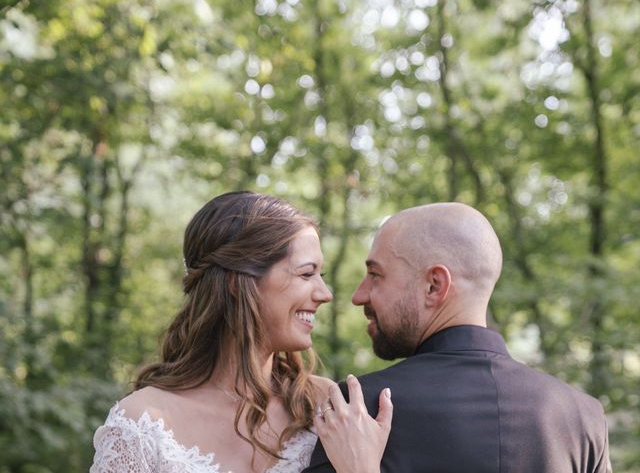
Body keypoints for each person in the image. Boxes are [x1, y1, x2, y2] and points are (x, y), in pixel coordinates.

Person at [90, 191, 392, 473]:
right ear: (238, 282)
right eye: (306, 273)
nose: (325, 293)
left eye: (320, 275)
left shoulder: (325, 406)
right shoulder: (141, 425)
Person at [305, 202, 612, 473]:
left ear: (434, 286)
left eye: (375, 275)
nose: (359, 296)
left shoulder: (358, 410)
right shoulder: (583, 417)